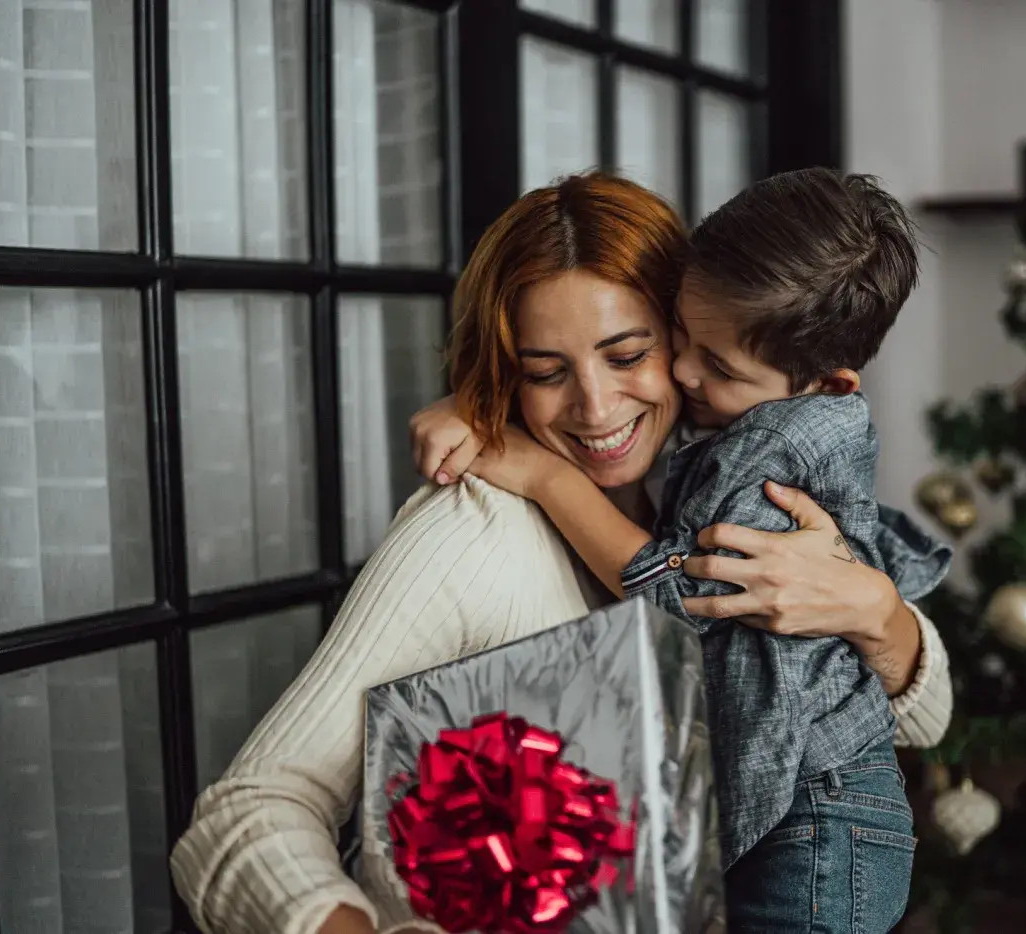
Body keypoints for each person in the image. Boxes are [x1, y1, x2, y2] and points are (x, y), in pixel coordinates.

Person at [171, 173, 953, 934]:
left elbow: (927, 713)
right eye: (546, 372)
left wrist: (876, 612)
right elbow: (249, 810)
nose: (596, 406)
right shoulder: (471, 533)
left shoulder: (713, 477)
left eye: (628, 355)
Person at [448, 167, 947, 932]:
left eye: (717, 367)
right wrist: (472, 406)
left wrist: (549, 476)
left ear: (828, 384)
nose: (683, 373)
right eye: (681, 335)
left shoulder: (771, 461)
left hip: (819, 819)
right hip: (816, 813)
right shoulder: (751, 415)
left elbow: (676, 595)